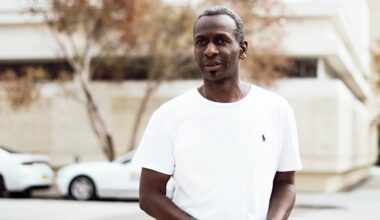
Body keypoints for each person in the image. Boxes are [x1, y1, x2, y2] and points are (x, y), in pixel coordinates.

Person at [132, 5, 301, 220]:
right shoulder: (169, 115)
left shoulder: (277, 109)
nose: (209, 50)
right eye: (201, 42)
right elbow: (149, 195)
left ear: (243, 49)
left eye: (221, 40)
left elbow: (286, 183)